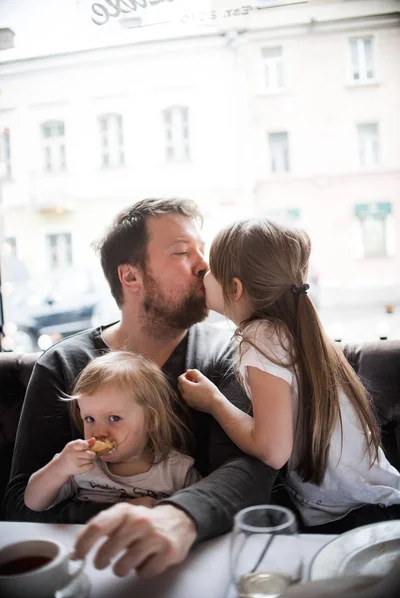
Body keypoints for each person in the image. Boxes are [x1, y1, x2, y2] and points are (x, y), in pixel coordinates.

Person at [5, 198, 276, 578]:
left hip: (200, 566)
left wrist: (179, 517)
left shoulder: (225, 354)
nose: (204, 266)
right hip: (84, 567)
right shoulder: (63, 365)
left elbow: (249, 470)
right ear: (131, 277)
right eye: (182, 252)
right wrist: (133, 517)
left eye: (202, 251)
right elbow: (20, 503)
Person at [178, 218, 400, 534]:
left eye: (212, 269)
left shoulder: (261, 337)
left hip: (354, 519)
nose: (203, 273)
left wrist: (213, 401)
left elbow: (272, 450)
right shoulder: (290, 329)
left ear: (236, 288)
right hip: (375, 504)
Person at [24, 351, 200, 512]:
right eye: (90, 419)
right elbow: (33, 503)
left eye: (114, 418)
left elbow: (202, 513)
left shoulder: (178, 471)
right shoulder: (78, 464)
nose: (99, 432)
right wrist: (59, 468)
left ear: (151, 421)